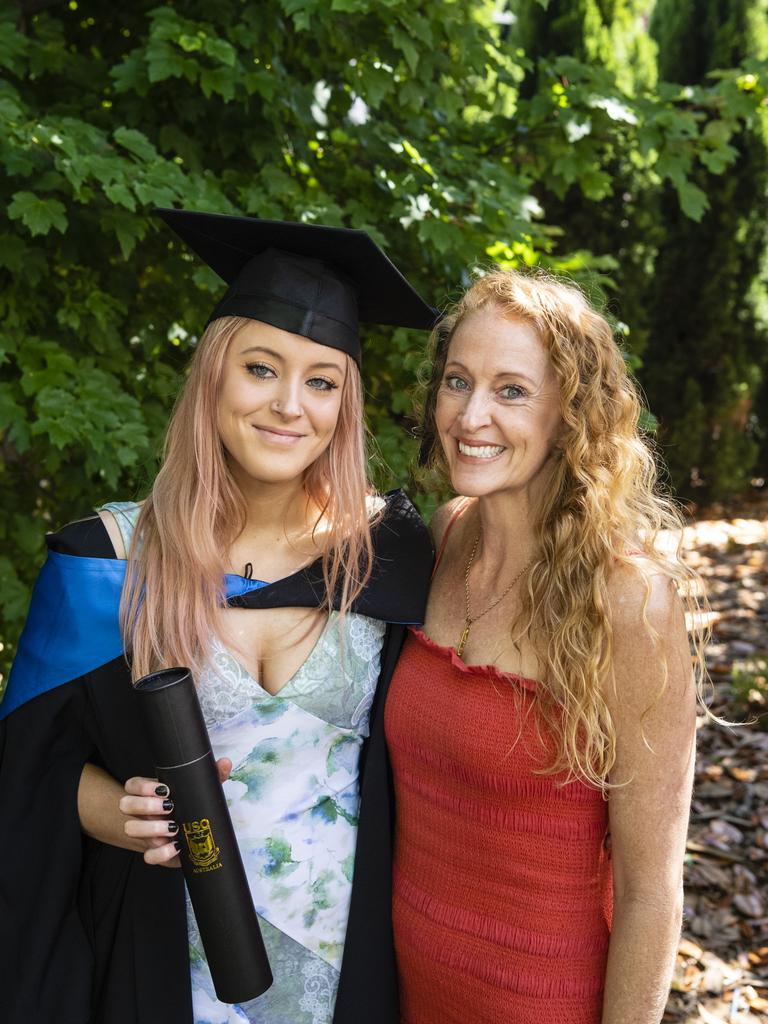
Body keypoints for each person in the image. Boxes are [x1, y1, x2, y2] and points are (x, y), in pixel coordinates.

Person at [0, 210, 435, 1024]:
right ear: (213, 375)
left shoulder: (388, 556)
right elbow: (24, 774)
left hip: (353, 958)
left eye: (321, 381)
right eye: (261, 368)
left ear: (345, 403)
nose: (289, 406)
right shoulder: (112, 562)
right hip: (168, 955)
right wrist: (115, 814)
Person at [384, 268, 705, 1024]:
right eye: (458, 381)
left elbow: (651, 891)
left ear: (570, 415)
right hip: (404, 994)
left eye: (512, 390)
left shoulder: (626, 599)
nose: (472, 414)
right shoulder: (445, 535)